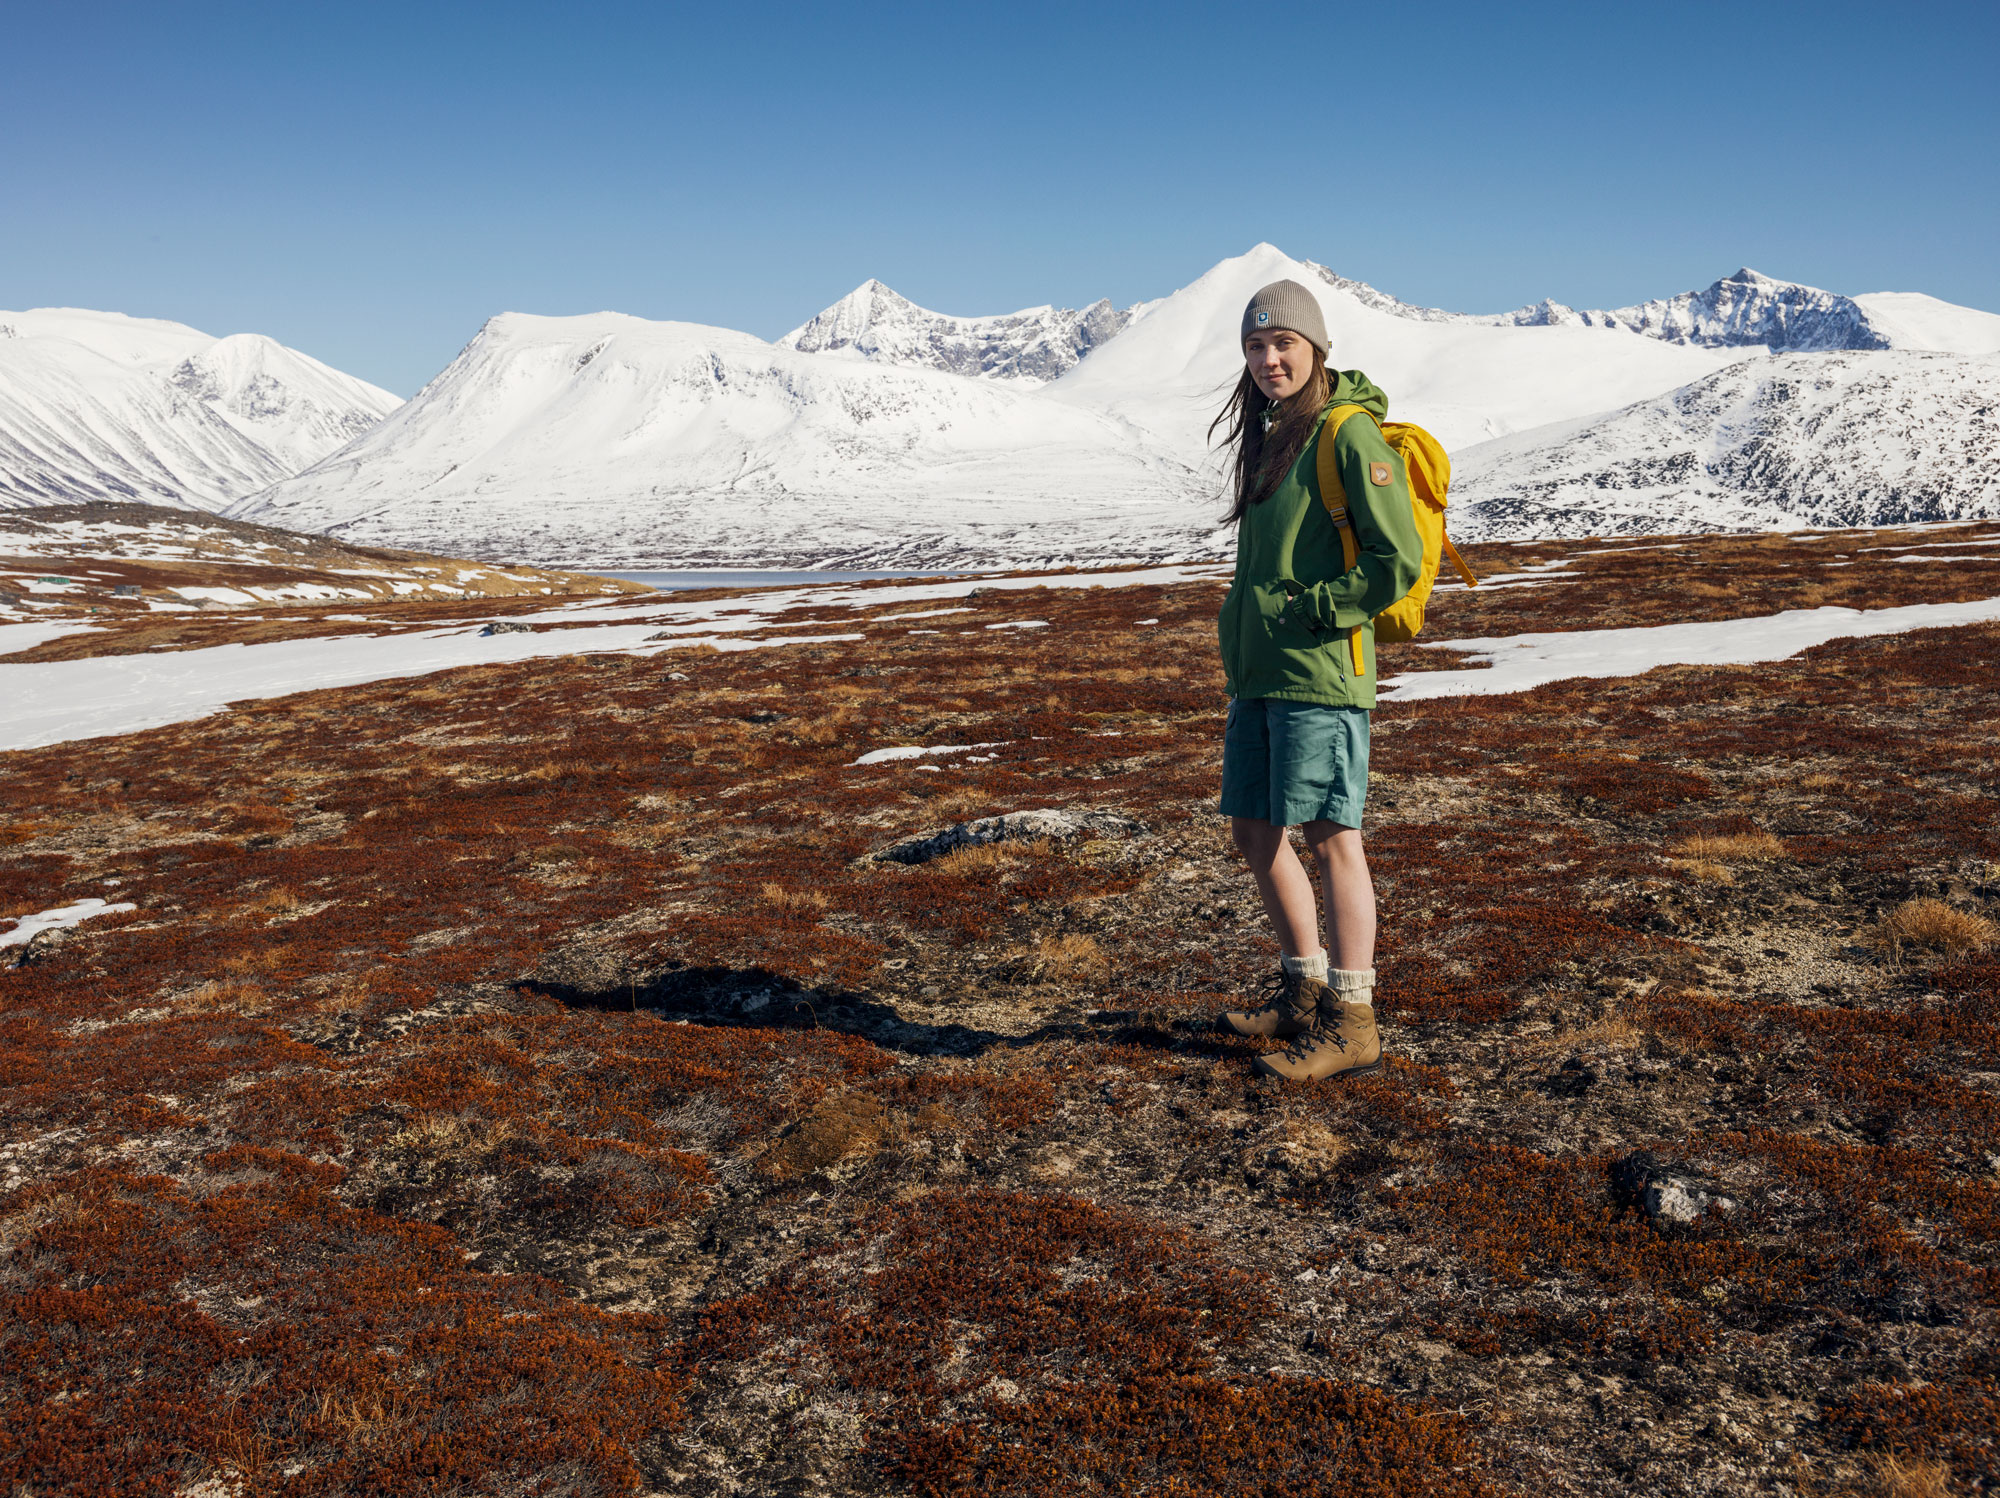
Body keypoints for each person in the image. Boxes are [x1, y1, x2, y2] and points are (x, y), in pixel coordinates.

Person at [1211, 280, 1423, 1082]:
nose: (1269, 360)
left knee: (1333, 836)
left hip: (1322, 670)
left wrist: (1318, 611)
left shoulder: (1348, 433)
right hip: (1264, 671)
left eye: (1284, 345)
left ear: (1316, 350)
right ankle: (1301, 991)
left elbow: (1393, 557)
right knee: (1255, 834)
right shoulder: (1271, 436)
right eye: (1256, 347)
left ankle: (1354, 1019)